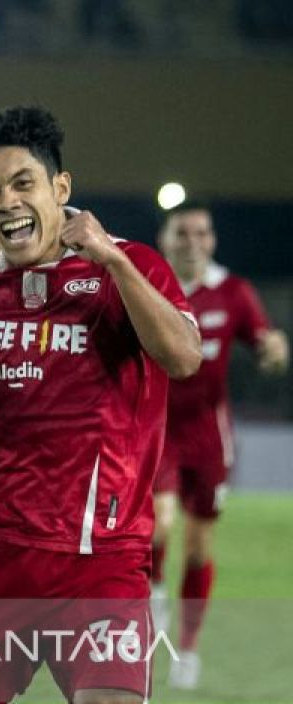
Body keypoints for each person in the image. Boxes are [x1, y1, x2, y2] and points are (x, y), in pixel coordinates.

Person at [0, 106, 202, 704]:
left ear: (61, 187)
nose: (7, 202)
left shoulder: (128, 266)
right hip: (0, 561)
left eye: (23, 183)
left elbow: (184, 358)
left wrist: (112, 260)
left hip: (103, 562)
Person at [150, 200, 288, 689]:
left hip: (209, 434)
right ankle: (154, 590)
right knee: (158, 524)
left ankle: (187, 649)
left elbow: (265, 340)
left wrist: (275, 352)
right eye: (182, 233)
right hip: (157, 429)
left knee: (199, 545)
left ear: (213, 240)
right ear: (165, 237)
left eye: (202, 234)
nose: (193, 242)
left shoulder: (233, 291)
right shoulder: (148, 285)